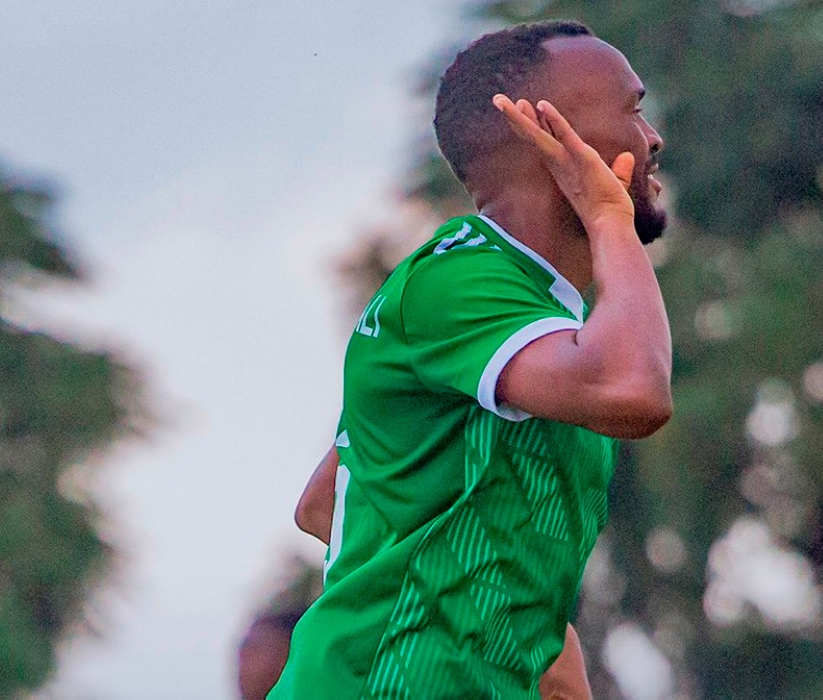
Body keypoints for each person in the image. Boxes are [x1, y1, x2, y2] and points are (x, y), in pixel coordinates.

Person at [268, 19, 671, 699]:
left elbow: (325, 502)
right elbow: (636, 390)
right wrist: (608, 219)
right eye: (632, 109)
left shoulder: (535, 316)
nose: (652, 137)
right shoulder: (457, 284)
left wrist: (518, 621)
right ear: (548, 137)